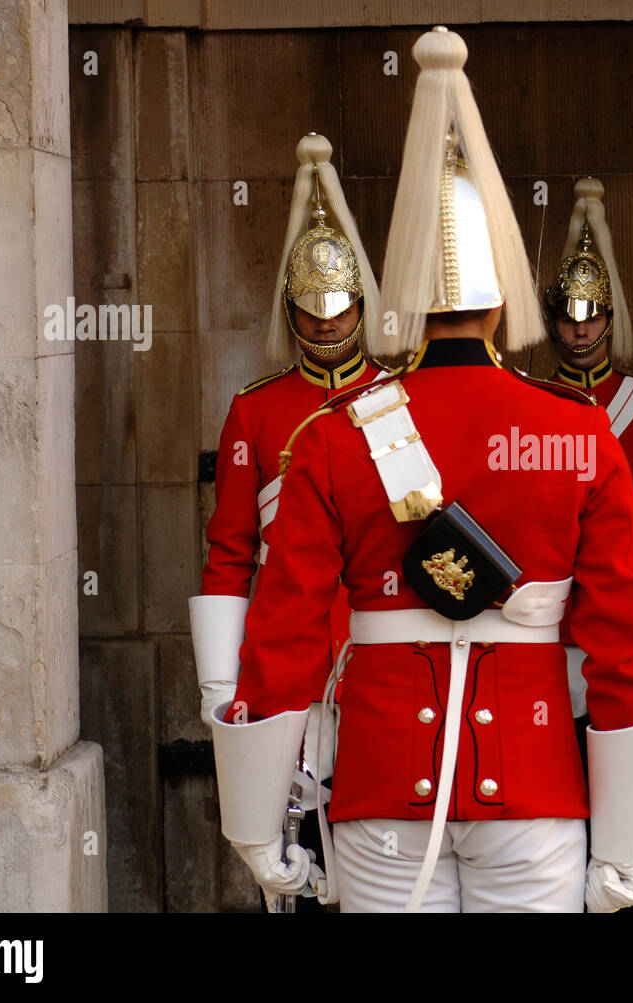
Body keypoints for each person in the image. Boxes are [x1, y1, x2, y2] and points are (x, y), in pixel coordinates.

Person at [206, 26, 633, 914]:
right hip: (536, 799)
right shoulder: (578, 435)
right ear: (503, 296)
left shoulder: (334, 435)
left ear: (401, 299)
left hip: (381, 795)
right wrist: (623, 847)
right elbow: (624, 643)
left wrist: (257, 829)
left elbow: (287, 634)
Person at [188, 132, 386, 913]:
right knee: (290, 859)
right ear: (292, 312)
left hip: (372, 646)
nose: (329, 327)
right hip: (285, 656)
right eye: (314, 313)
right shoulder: (257, 410)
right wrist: (218, 681)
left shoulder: (398, 400)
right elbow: (231, 551)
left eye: (341, 312)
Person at [542, 177, 633, 743]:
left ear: (610, 318)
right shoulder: (535, 400)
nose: (580, 328)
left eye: (593, 316)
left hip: (630, 605)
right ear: (552, 321)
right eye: (569, 317)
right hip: (556, 614)